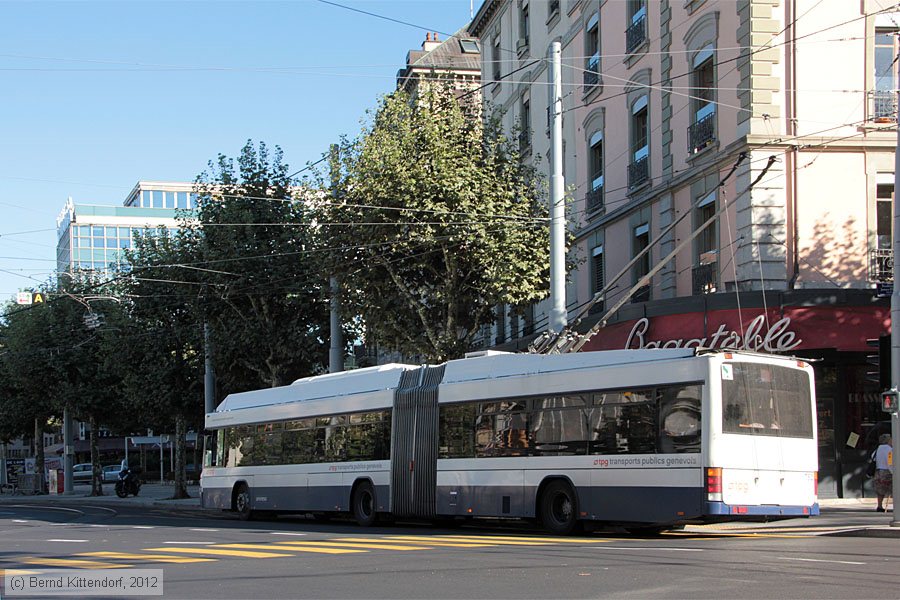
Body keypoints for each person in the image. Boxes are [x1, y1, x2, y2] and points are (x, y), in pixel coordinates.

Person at [873, 433, 893, 513]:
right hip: (887, 471)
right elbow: (890, 462)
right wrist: (893, 472)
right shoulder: (889, 449)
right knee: (894, 489)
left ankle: (880, 506)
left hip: (878, 471)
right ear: (888, 440)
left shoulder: (878, 448)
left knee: (880, 490)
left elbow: (872, 457)